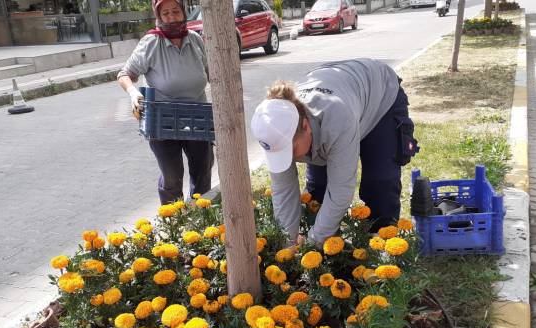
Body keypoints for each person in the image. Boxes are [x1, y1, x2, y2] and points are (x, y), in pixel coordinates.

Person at [250, 58, 418, 246]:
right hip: (341, 91)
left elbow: (341, 190)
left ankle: (382, 251)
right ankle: (330, 254)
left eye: (292, 149)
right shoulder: (276, 129)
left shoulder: (338, 119)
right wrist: (287, 245)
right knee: (317, 190)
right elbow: (284, 192)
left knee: (379, 185)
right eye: (281, 153)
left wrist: (311, 246)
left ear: (305, 126)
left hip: (379, 97)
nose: (288, 158)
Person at [117, 0, 213, 204]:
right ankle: (174, 220)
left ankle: (202, 217)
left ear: (184, 12)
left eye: (176, 11)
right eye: (166, 13)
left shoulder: (195, 40)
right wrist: (133, 92)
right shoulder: (151, 42)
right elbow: (125, 74)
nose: (171, 17)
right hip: (163, 119)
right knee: (172, 174)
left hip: (197, 116)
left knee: (203, 169)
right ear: (158, 16)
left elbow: (210, 72)